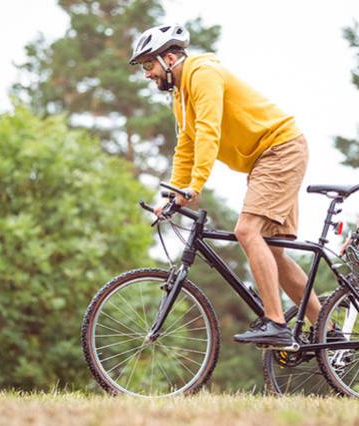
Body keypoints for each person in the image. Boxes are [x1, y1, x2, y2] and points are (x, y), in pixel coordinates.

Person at [129, 24, 318, 347]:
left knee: (246, 231)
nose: (147, 74)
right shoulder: (181, 97)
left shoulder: (203, 74)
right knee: (273, 251)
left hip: (279, 149)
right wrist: (176, 191)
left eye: (149, 64)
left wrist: (196, 185)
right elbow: (186, 145)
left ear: (170, 57)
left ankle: (276, 321)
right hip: (266, 158)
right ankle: (329, 328)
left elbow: (208, 131)